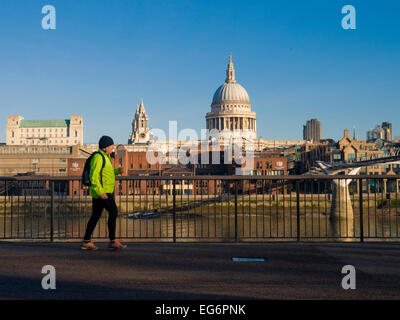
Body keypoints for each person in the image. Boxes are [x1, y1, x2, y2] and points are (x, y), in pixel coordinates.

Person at [81, 135, 127, 250]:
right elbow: (94, 175)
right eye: (111, 145)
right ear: (105, 147)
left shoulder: (105, 157)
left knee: (95, 216)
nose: (113, 147)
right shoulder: (98, 157)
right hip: (103, 193)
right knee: (113, 212)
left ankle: (87, 241)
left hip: (102, 192)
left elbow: (106, 173)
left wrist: (117, 171)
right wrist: (101, 192)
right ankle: (113, 241)